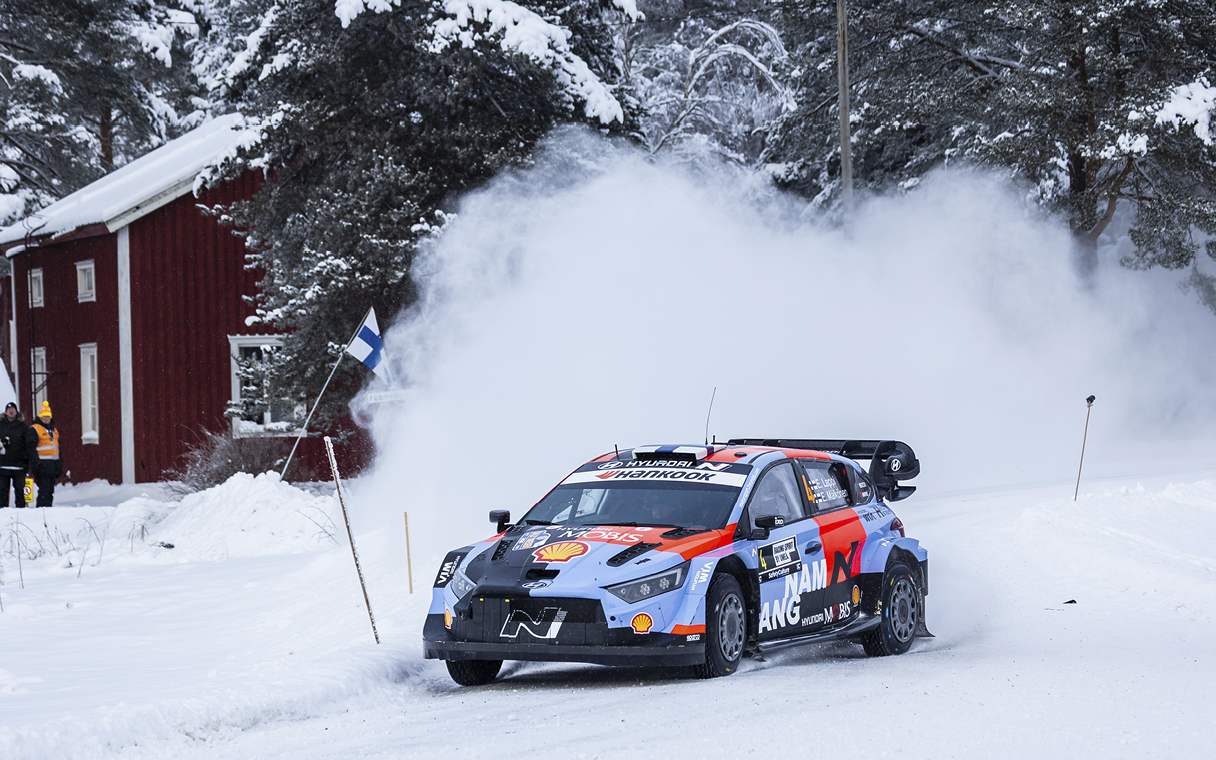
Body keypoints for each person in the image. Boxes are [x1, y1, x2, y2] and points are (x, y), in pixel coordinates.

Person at [26, 400, 61, 507]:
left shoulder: (54, 430)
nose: (46, 418)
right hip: (42, 465)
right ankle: (42, 509)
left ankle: (48, 508)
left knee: (50, 490)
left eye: (48, 416)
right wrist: (36, 463)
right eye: (44, 416)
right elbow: (30, 448)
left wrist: (59, 465)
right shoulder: (35, 429)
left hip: (52, 465)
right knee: (44, 490)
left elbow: (58, 449)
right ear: (40, 417)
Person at [0, 402, 27, 507]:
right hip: (3, 465)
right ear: (6, 412)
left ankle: (21, 511)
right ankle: (3, 512)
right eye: (9, 409)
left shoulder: (23, 426)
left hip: (19, 465)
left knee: (20, 490)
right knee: (2, 490)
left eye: (13, 409)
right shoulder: (1, 425)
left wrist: (26, 461)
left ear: (16, 411)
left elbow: (28, 444)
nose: (11, 411)